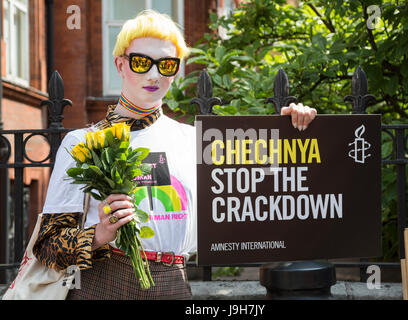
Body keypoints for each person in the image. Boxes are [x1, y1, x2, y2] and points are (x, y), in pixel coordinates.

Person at [32, 9, 317, 300]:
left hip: (175, 282)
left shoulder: (192, 139)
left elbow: (263, 186)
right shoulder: (82, 143)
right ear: (120, 65)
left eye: (167, 64)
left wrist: (290, 129)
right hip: (104, 281)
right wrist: (99, 234)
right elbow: (46, 247)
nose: (154, 74)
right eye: (141, 62)